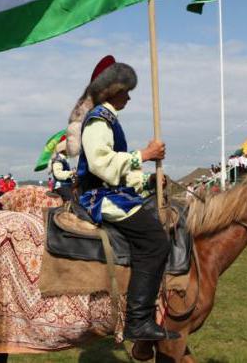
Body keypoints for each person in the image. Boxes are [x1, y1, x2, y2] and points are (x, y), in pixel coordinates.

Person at [66, 55, 178, 342]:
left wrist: (148, 179)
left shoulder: (110, 120)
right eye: (126, 91)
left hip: (112, 191)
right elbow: (100, 164)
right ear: (112, 91)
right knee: (155, 242)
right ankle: (138, 321)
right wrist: (145, 155)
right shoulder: (99, 120)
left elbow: (120, 170)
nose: (129, 96)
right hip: (99, 197)